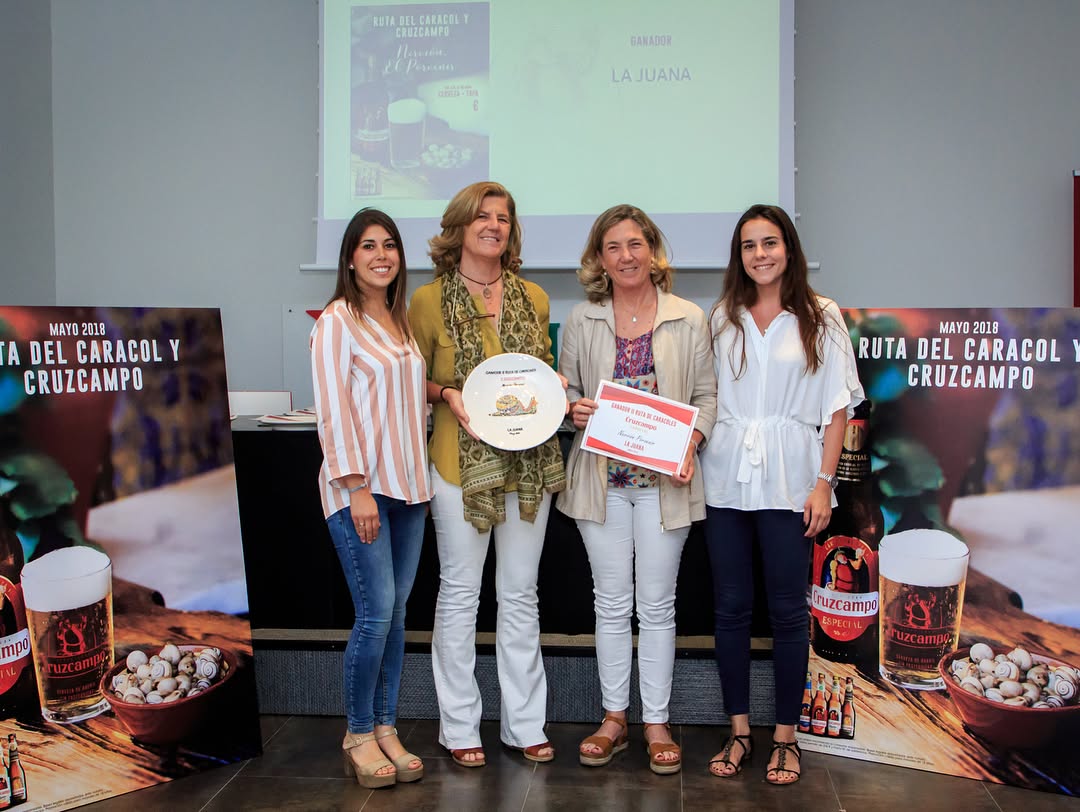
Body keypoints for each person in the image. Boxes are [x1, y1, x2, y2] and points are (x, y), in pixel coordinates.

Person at [698, 204, 863, 785]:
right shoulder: (722, 316)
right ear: (738, 256)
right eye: (749, 245)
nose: (760, 254)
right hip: (725, 477)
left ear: (788, 248)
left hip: (794, 478)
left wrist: (824, 483)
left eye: (770, 243)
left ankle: (787, 738)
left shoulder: (823, 315)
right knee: (731, 608)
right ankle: (740, 730)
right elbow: (704, 397)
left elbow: (838, 408)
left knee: (791, 612)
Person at [407, 181, 566, 767]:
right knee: (460, 593)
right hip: (457, 464)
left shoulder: (535, 297)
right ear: (459, 227)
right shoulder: (426, 301)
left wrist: (556, 388)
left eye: (503, 217)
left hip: (528, 466)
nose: (494, 225)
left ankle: (524, 725)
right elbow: (410, 378)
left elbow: (541, 373)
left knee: (521, 593)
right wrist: (447, 392)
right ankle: (458, 727)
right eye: (482, 216)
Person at [558, 204, 717, 775]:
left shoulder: (689, 318)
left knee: (656, 606)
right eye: (612, 247)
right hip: (600, 485)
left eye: (634, 244)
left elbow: (706, 400)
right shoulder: (582, 319)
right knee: (610, 605)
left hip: (662, 488)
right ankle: (613, 718)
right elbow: (567, 395)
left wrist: (689, 443)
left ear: (652, 250)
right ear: (599, 258)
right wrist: (572, 409)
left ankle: (655, 720)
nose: (625, 256)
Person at [311, 208, 431, 789]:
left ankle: (386, 726)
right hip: (363, 492)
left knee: (397, 616)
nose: (381, 255)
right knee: (375, 614)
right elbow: (333, 409)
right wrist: (356, 487)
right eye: (368, 246)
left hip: (410, 490)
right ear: (350, 258)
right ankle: (357, 732)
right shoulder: (339, 319)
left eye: (389, 245)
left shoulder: (399, 320)